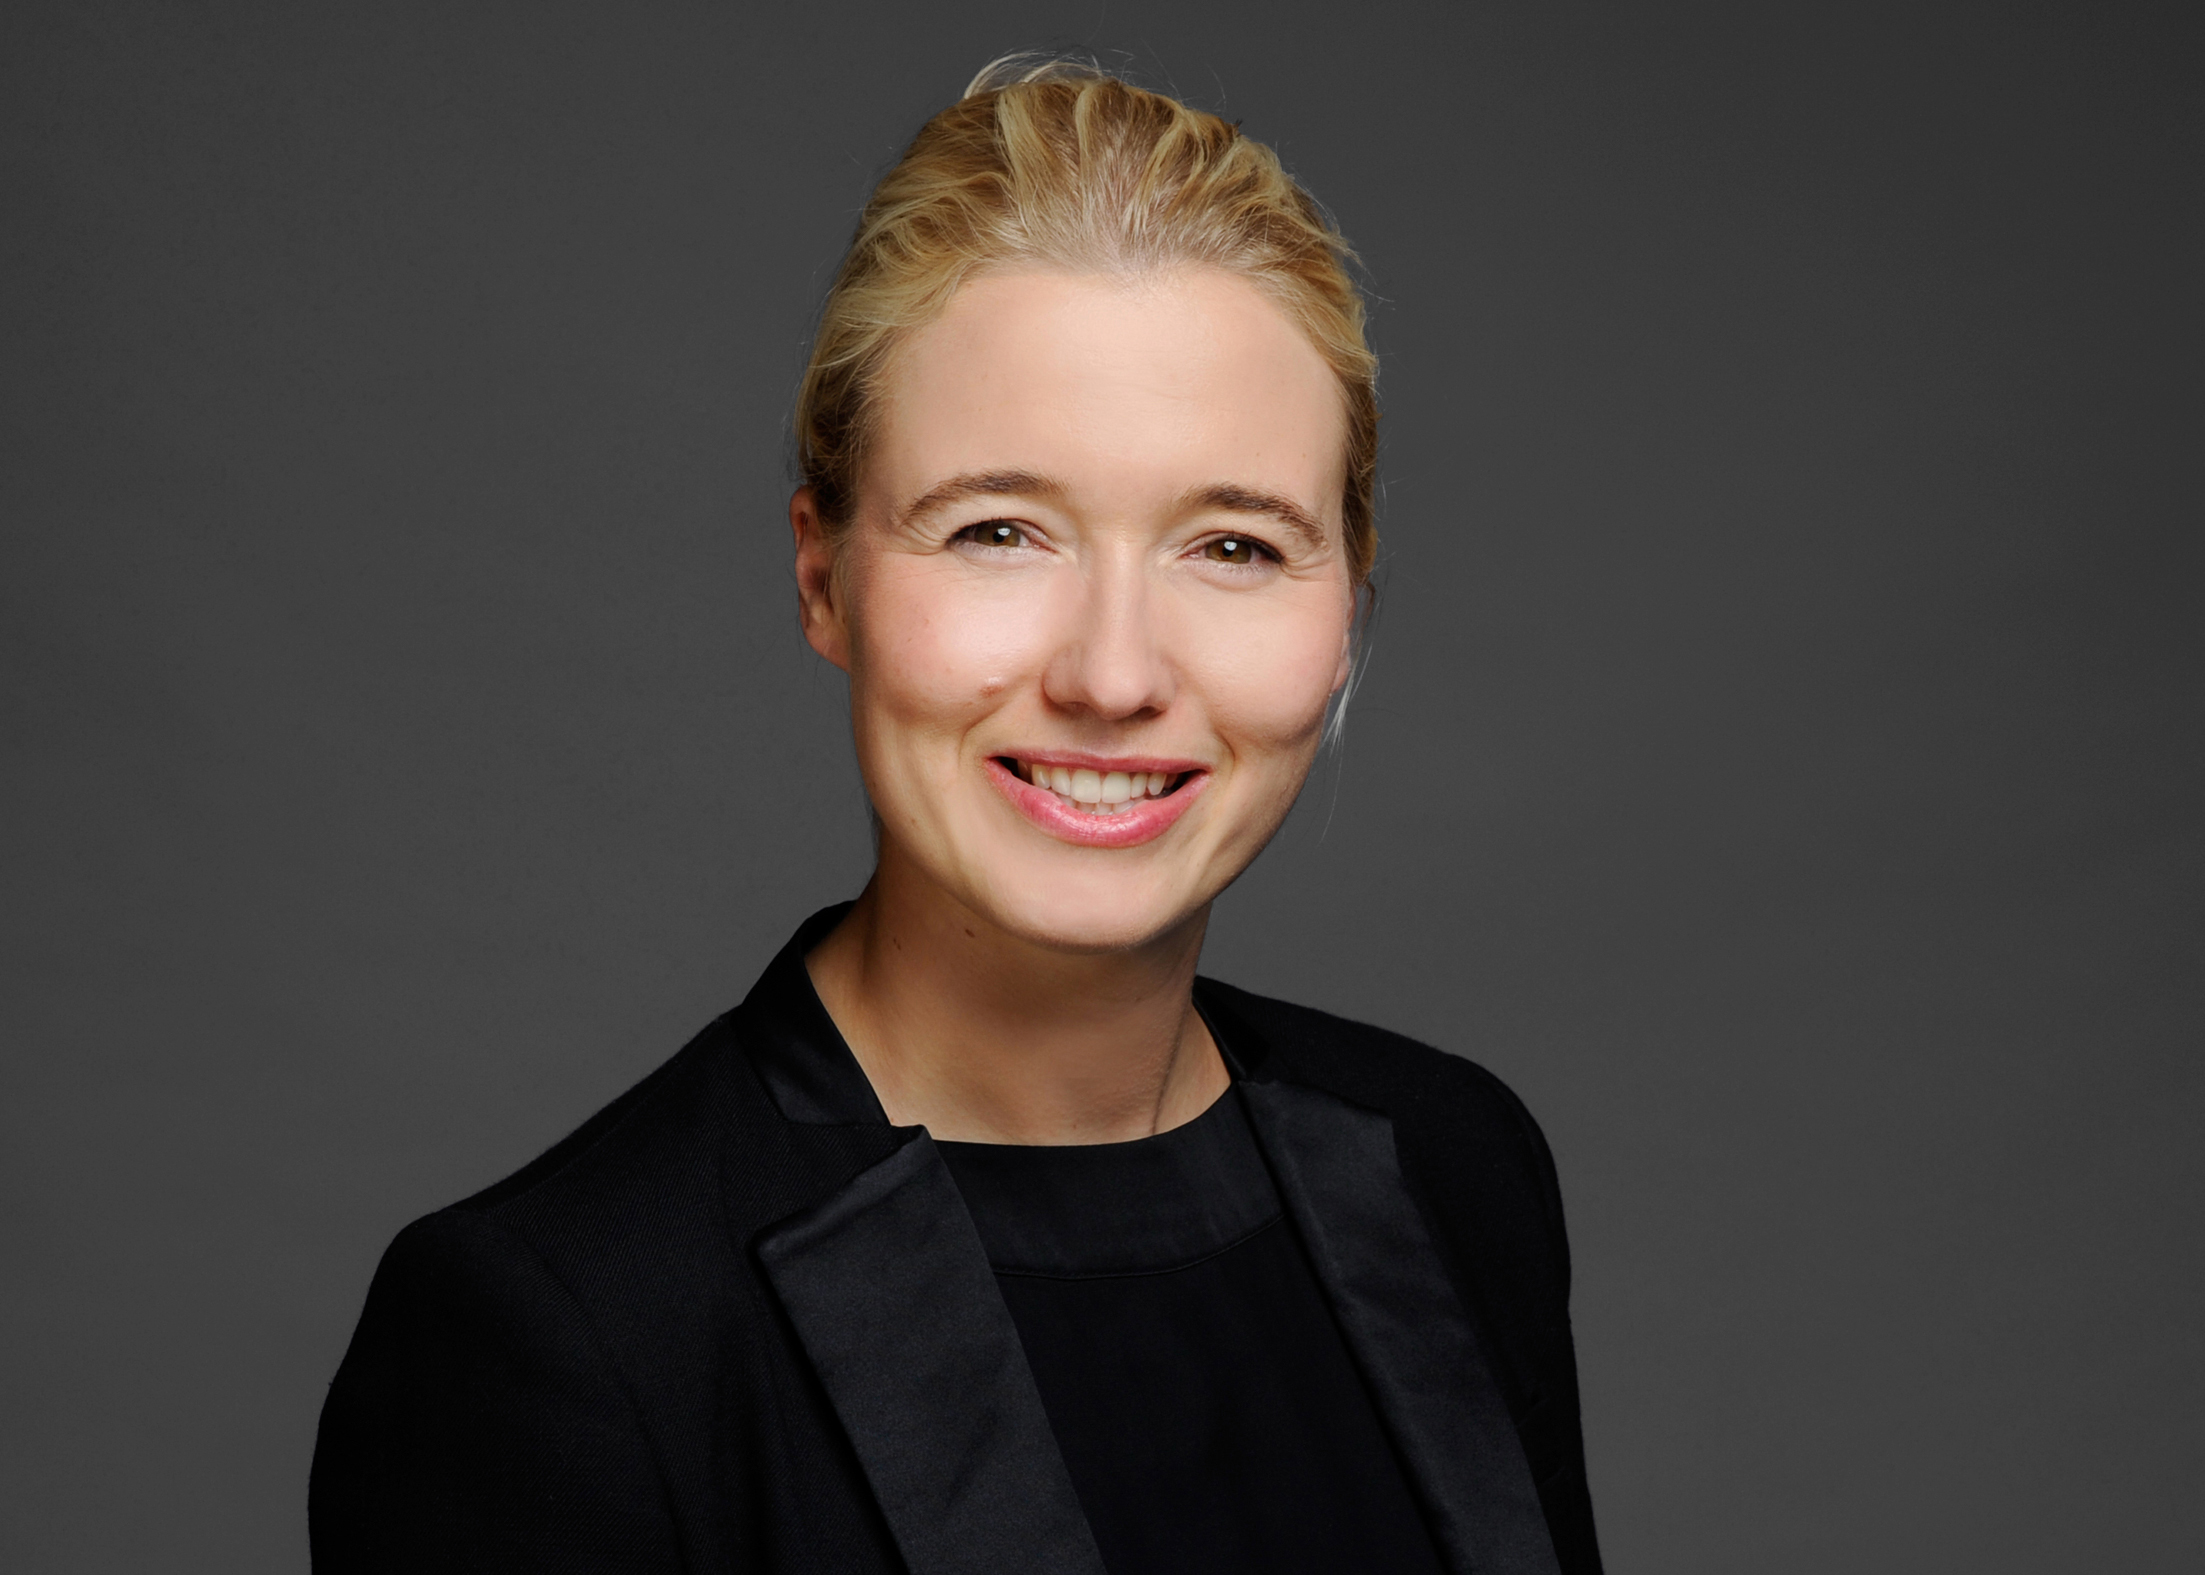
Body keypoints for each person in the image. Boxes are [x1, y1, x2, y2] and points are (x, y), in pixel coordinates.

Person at [310, 56, 1602, 1575]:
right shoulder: (564, 1340)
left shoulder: (1456, 1169)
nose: (1113, 674)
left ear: (1349, 607)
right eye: (999, 531)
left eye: (1234, 546)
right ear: (824, 576)